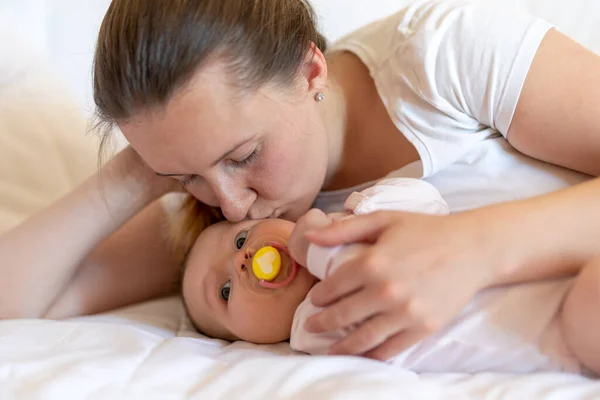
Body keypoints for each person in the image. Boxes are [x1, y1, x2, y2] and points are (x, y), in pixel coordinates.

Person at [2, 0, 600, 370]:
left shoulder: (442, 58)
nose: (232, 204)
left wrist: (474, 249)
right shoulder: (225, 224)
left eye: (245, 154)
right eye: (188, 175)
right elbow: (18, 300)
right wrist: (144, 169)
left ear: (310, 69)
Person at [179, 178, 598, 375]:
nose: (241, 261)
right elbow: (360, 298)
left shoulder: (355, 215)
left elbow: (429, 202)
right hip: (557, 331)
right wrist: (313, 246)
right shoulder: (313, 330)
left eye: (239, 241)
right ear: (247, 340)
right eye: (225, 291)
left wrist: (365, 209)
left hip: (549, 262)